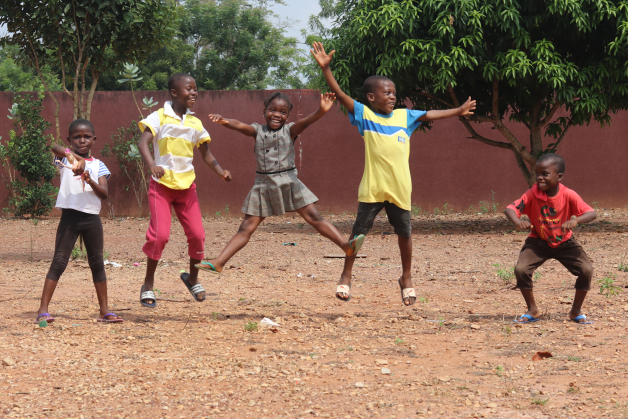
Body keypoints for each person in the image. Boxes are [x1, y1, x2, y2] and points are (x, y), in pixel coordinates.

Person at [311, 42, 476, 306]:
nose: (392, 97)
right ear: (371, 98)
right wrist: (326, 69)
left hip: (400, 189)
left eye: (394, 93)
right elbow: (340, 94)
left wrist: (458, 111)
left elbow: (429, 114)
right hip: (373, 189)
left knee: (405, 234)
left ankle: (406, 278)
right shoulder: (364, 115)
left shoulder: (404, 116)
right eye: (386, 93)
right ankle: (346, 275)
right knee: (357, 235)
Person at [195, 92, 365, 277]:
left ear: (288, 116)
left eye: (283, 112)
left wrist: (321, 111)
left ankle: (345, 246)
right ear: (264, 111)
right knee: (246, 228)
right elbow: (240, 125)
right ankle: (219, 262)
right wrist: (224, 121)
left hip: (289, 181)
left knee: (315, 217)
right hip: (263, 184)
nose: (277, 114)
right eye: (272, 110)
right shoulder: (257, 130)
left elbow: (306, 122)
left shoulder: (290, 130)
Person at [137, 73, 232, 307]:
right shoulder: (159, 116)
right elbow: (143, 142)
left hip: (187, 187)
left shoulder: (195, 123)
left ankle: (192, 278)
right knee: (160, 236)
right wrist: (153, 165)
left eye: (195, 89)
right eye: (188, 89)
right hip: (161, 187)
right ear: (174, 93)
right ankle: (148, 285)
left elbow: (206, 154)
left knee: (198, 236)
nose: (194, 93)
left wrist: (220, 171)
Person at [36, 119, 123, 324]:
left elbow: (104, 194)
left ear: (94, 139)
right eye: (76, 137)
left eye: (86, 137)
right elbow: (55, 147)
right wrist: (76, 158)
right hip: (70, 218)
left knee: (97, 263)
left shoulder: (99, 165)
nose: (81, 140)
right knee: (59, 262)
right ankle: (42, 310)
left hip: (92, 218)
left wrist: (87, 176)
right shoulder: (64, 160)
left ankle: (104, 310)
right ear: (70, 140)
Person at [505, 153, 596, 324]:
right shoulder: (532, 193)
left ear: (559, 176)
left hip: (565, 242)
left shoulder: (569, 195)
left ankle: (575, 311)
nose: (539, 178)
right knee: (521, 269)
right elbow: (510, 209)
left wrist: (575, 220)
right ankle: (532, 310)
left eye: (545, 174)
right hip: (538, 241)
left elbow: (592, 213)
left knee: (586, 270)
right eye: (537, 173)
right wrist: (517, 221)